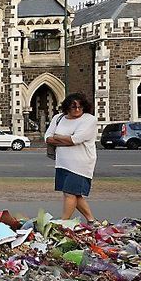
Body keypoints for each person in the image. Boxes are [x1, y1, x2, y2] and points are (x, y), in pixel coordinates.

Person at [45, 93, 98, 222]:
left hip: (81, 164)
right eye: (74, 107)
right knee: (75, 194)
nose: (77, 110)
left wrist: (57, 137)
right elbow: (47, 137)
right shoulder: (58, 118)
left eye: (80, 107)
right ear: (67, 107)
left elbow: (76, 139)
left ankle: (63, 222)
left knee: (69, 194)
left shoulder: (89, 119)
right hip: (62, 163)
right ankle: (92, 221)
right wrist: (66, 139)